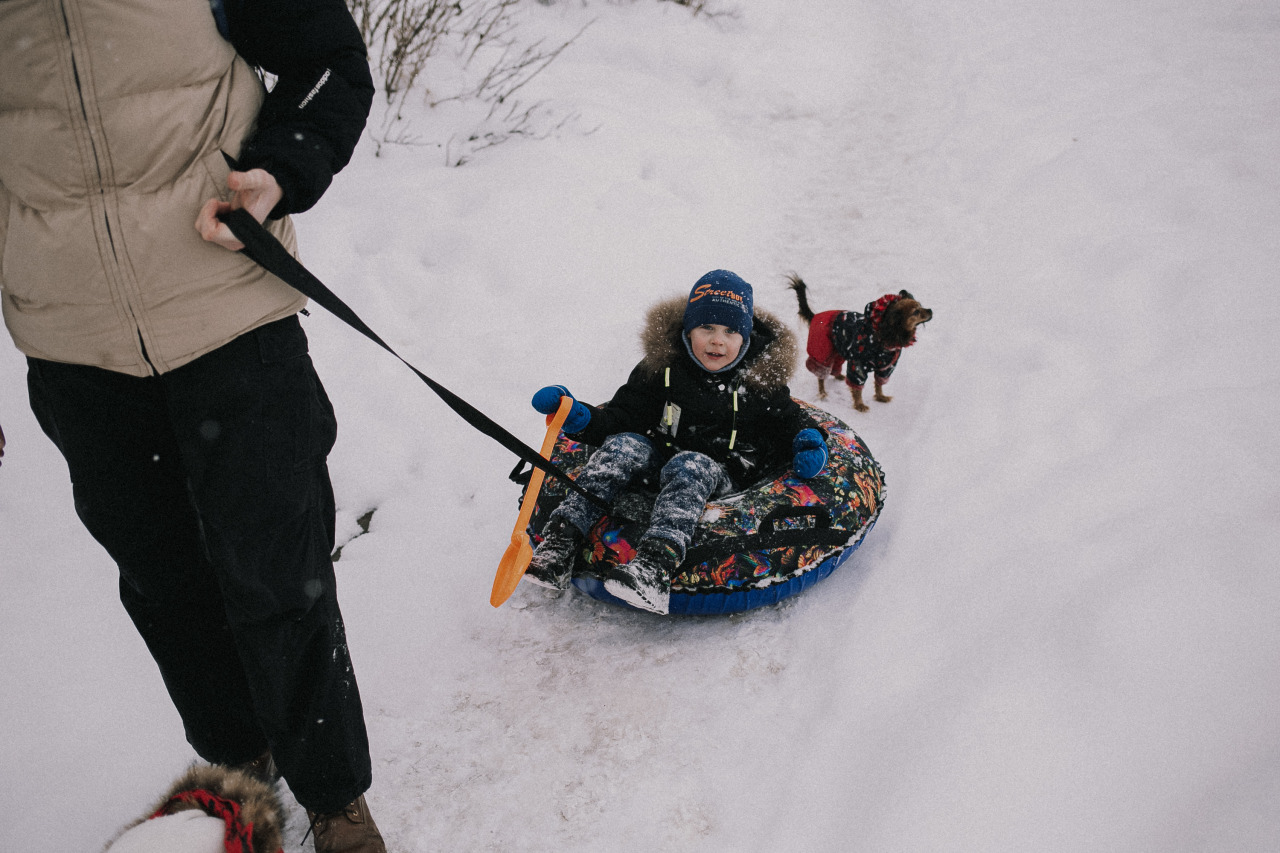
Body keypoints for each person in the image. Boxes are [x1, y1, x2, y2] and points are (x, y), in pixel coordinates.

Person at [0, 2, 383, 850]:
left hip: (229, 318)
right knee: (166, 584)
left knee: (281, 573)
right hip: (75, 350)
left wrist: (278, 169)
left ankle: (332, 797)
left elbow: (329, 61)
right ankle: (240, 774)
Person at [526, 270, 830, 614]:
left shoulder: (759, 381)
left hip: (724, 472)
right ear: (688, 331)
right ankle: (561, 544)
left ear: (745, 338)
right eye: (707, 328)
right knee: (626, 444)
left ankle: (654, 569)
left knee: (691, 464)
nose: (718, 341)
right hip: (662, 455)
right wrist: (580, 419)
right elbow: (624, 414)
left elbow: (791, 421)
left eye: (731, 331)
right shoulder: (664, 368)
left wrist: (807, 442)